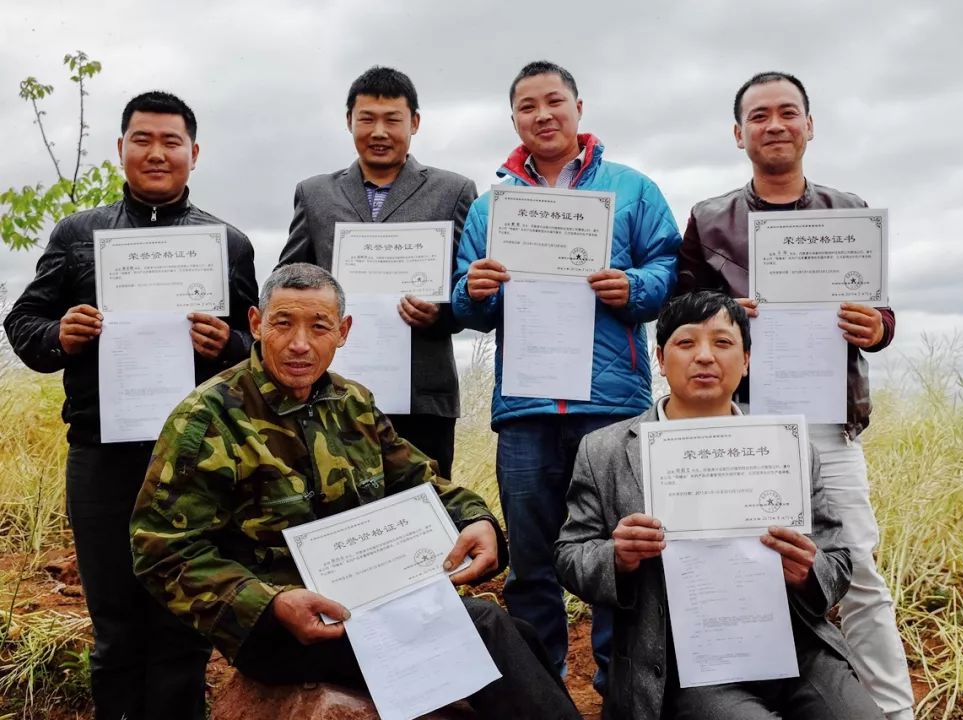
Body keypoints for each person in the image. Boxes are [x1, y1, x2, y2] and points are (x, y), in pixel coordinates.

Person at [129, 263, 583, 720]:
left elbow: (418, 479)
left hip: (371, 605)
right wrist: (268, 603)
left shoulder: (354, 403)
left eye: (319, 326)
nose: (300, 343)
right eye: (283, 323)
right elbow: (161, 550)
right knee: (483, 630)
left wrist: (475, 519)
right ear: (255, 324)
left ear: (343, 331)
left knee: (518, 633)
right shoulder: (209, 417)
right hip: (282, 628)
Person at [3, 91, 258, 720]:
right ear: (121, 149)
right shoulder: (79, 233)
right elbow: (23, 322)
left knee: (182, 626)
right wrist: (59, 334)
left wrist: (228, 343)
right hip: (102, 455)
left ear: (193, 154)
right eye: (142, 139)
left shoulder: (227, 243)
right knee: (115, 623)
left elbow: (258, 354)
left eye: (171, 141)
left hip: (199, 461)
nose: (156, 152)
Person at [675, 71, 912, 720]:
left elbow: (881, 314)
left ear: (810, 125)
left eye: (787, 113)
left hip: (828, 427)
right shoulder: (706, 220)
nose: (774, 124)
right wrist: (721, 314)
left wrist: (877, 326)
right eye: (759, 116)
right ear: (738, 133)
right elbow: (677, 321)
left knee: (858, 573)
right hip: (740, 425)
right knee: (744, 572)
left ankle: (894, 713)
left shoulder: (848, 212)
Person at [451, 60, 681, 689]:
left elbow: (668, 270)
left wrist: (631, 286)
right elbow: (467, 302)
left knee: (619, 557)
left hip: (611, 407)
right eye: (528, 106)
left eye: (554, 101)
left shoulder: (632, 190)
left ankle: (620, 688)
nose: (543, 115)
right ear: (515, 119)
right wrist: (474, 290)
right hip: (525, 408)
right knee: (531, 564)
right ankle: (542, 691)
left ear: (579, 107)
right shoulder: (491, 205)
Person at [555, 291, 883, 719]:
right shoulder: (606, 450)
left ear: (747, 359)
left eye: (723, 343)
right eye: (686, 343)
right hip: (684, 663)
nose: (705, 357)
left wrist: (807, 571)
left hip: (795, 648)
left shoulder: (789, 446)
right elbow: (570, 555)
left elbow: (838, 562)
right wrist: (618, 557)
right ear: (660, 357)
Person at [278, 65, 477, 480]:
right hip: (331, 389)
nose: (379, 131)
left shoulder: (454, 191)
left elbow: (471, 288)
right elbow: (288, 278)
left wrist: (440, 313)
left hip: (422, 396)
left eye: (393, 120)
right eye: (367, 119)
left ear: (415, 123)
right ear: (349, 121)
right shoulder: (315, 194)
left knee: (429, 512)